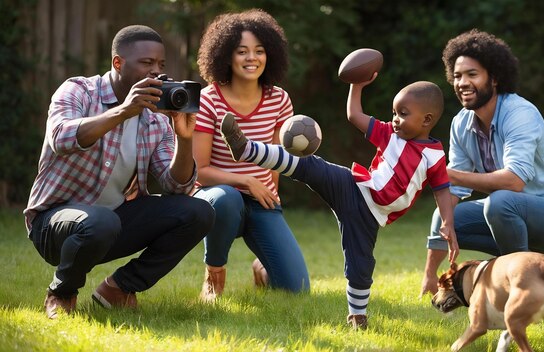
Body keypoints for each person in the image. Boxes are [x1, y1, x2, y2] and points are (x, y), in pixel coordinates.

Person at [219, 75, 459, 329]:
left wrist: (447, 221)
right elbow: (355, 115)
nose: (395, 119)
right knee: (309, 165)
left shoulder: (434, 155)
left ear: (427, 120)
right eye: (394, 112)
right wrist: (357, 84)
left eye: (403, 114)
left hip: (369, 216)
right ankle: (246, 149)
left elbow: (442, 189)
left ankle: (357, 316)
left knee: (360, 264)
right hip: (353, 186)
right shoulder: (389, 133)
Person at [24, 25, 215, 319]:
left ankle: (119, 288)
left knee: (199, 211)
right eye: (147, 63)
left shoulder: (157, 116)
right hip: (54, 225)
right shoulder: (78, 90)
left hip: (114, 221)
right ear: (118, 63)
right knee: (101, 221)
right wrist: (124, 111)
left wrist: (184, 138)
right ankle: (61, 293)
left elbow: (175, 186)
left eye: (161, 65)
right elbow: (60, 138)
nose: (157, 73)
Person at [420, 29, 544, 296]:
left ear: (494, 78)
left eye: (472, 74)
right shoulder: (461, 122)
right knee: (445, 213)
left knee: (501, 201)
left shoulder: (519, 113)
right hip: (511, 214)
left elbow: (513, 181)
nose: (462, 82)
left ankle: (521, 287)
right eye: (458, 75)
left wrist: (448, 174)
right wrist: (430, 274)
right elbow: (454, 187)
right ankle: (524, 271)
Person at [192, 9, 310, 302]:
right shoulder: (209, 99)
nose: (251, 58)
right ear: (226, 56)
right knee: (228, 198)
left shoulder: (279, 99)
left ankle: (263, 267)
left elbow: (275, 160)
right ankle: (214, 274)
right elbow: (199, 170)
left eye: (259, 51)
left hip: (261, 200)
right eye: (242, 51)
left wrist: (272, 197)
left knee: (297, 290)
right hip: (216, 199)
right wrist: (245, 181)